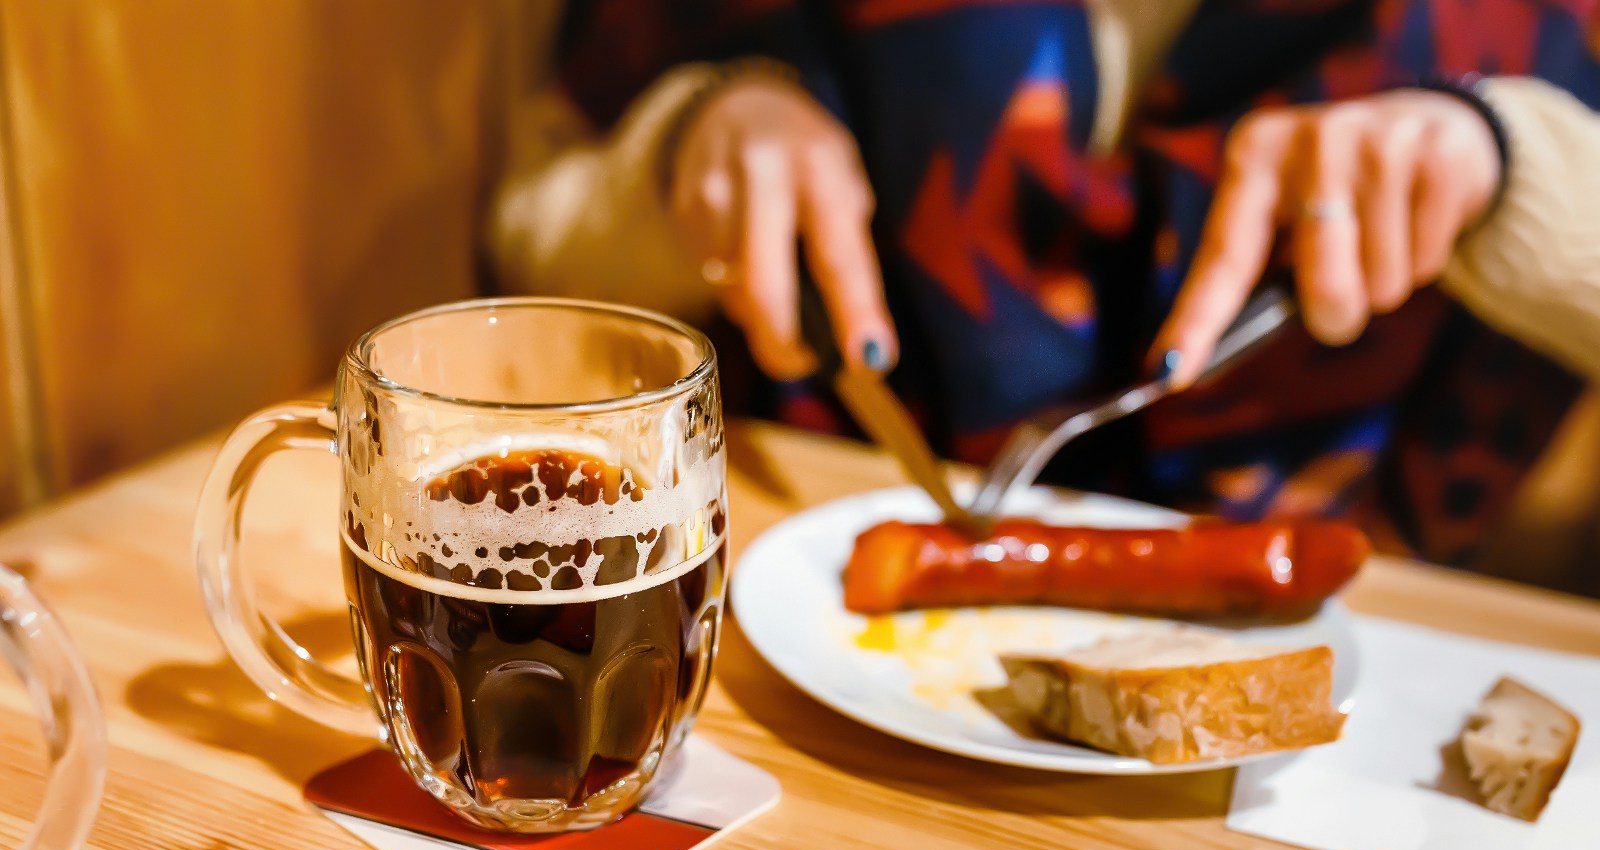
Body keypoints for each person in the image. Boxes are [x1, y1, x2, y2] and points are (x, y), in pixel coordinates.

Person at [489, 1, 1600, 568]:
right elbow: (529, 242)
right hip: (790, 561)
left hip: (1334, 636)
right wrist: (694, 140)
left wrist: (1515, 164)